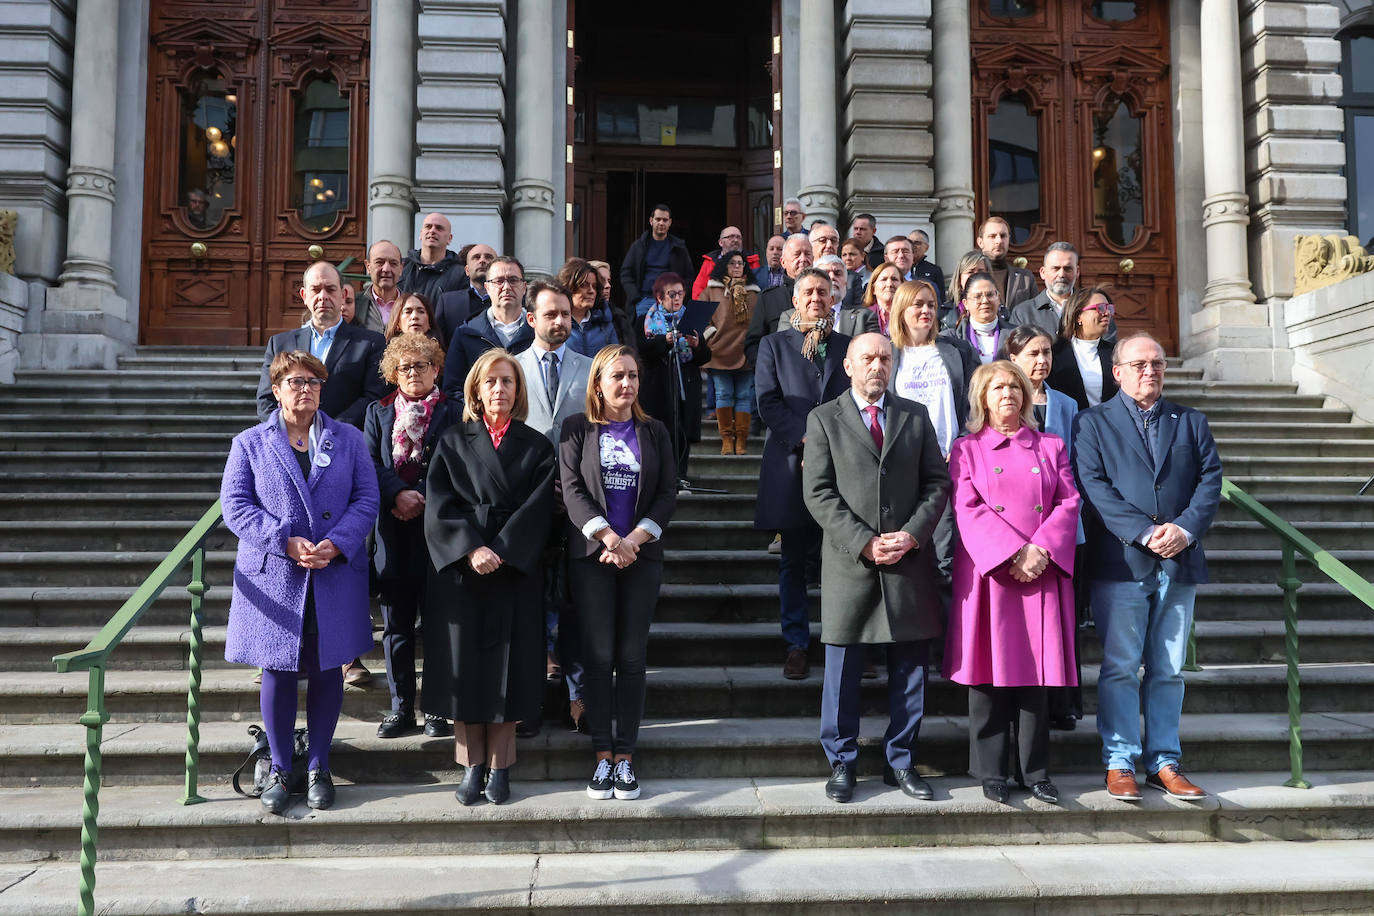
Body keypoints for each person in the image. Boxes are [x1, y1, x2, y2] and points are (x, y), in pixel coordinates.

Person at [223, 350, 380, 815]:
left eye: (314, 382)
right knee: (278, 668)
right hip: (276, 574)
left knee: (330, 666)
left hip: (331, 571)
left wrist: (340, 541)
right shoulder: (250, 442)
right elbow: (235, 505)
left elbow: (367, 497)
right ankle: (279, 768)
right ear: (276, 389)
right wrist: (282, 540)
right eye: (295, 381)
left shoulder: (347, 439)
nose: (305, 389)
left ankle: (318, 767)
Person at [1072, 333, 1223, 802]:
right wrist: (1143, 532)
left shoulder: (1190, 420)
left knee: (1169, 668)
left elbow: (1209, 480)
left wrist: (1185, 529)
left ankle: (1164, 761)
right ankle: (1119, 762)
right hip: (1122, 562)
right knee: (1119, 667)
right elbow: (1093, 487)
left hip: (1179, 561)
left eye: (1156, 363)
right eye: (1138, 364)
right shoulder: (1091, 423)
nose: (1149, 371)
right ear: (1116, 372)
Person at [802, 333, 950, 803]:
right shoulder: (825, 418)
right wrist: (864, 541)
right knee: (842, 672)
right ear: (848, 365)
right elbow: (818, 493)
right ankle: (842, 763)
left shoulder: (914, 414)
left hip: (907, 562)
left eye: (885, 357)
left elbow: (936, 483)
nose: (877, 365)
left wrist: (911, 534)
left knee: (910, 671)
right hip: (851, 563)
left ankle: (901, 762)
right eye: (867, 357)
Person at [421, 348, 556, 806]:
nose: (499, 390)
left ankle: (500, 766)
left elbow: (540, 510)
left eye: (508, 382)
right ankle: (470, 764)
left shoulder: (537, 446)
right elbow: (439, 504)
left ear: (519, 391)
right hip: (462, 573)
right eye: (491, 381)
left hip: (513, 570)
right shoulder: (453, 441)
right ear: (476, 389)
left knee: (509, 668)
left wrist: (501, 550)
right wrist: (470, 548)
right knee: (466, 668)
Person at [943, 360, 1081, 805]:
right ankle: (991, 772)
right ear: (983, 397)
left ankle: (1035, 770)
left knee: (1034, 677)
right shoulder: (966, 449)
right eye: (998, 387)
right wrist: (1012, 554)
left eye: (1015, 387)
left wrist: (1040, 550)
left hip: (1041, 572)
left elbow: (1068, 500)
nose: (1008, 395)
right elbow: (967, 507)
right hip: (991, 575)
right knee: (988, 674)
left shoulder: (1051, 445)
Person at [559, 344, 678, 801]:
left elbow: (667, 493)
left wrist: (634, 540)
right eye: (617, 376)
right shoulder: (576, 429)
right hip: (593, 557)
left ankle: (625, 757)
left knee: (630, 658)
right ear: (598, 383)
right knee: (598, 657)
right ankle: (601, 757)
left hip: (641, 557)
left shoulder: (656, 431)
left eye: (632, 375)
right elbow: (570, 490)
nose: (626, 384)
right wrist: (609, 537)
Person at [754, 267, 854, 680]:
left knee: (842, 560)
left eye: (823, 292)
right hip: (792, 465)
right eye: (808, 291)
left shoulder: (847, 346)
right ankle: (796, 643)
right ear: (794, 300)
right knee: (793, 560)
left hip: (845, 468)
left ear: (833, 299)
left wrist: (834, 441)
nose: (816, 297)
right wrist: (808, 437)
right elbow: (768, 402)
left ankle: (842, 639)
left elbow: (857, 396)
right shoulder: (774, 345)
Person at [365, 333, 461, 740]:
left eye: (421, 365)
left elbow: (459, 463)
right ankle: (401, 708)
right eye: (404, 367)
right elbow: (368, 463)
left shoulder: (454, 411)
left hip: (438, 531)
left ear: (436, 369)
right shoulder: (377, 412)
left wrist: (423, 496)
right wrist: (397, 494)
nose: (413, 373)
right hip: (392, 529)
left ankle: (437, 709)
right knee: (397, 626)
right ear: (392, 373)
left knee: (440, 624)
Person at [513, 280, 593, 729]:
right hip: (528, 500)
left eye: (565, 313)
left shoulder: (589, 367)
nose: (560, 321)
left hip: (580, 501)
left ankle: (579, 696)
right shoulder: (511, 368)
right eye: (550, 314)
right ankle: (529, 700)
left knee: (576, 601)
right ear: (531, 320)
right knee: (529, 601)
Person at [1002, 324, 1085, 731]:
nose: (1042, 361)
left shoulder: (1066, 403)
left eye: (1047, 352)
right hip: (1017, 526)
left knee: (1062, 619)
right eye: (1033, 353)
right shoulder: (1002, 400)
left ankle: (1062, 702)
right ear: (1013, 358)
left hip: (1061, 525)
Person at [256, 261, 386, 430]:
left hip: (344, 441)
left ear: (343, 294)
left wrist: (331, 430)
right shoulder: (279, 344)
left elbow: (373, 397)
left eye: (330, 289)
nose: (323, 296)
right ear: (304, 295)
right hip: (290, 442)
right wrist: (290, 431)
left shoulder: (371, 343)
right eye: (316, 289)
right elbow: (266, 400)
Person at [889, 280, 977, 462]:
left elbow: (975, 402)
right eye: (918, 304)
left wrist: (963, 442)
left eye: (931, 305)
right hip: (906, 459)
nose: (926, 311)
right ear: (901, 309)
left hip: (952, 458)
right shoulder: (886, 354)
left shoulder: (959, 350)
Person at [637, 272, 710, 487]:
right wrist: (665, 341)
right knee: (659, 434)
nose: (677, 298)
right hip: (658, 386)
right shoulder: (646, 321)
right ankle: (659, 479)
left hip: (685, 384)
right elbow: (642, 351)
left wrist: (697, 346)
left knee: (682, 433)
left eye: (680, 293)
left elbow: (705, 357)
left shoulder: (691, 320)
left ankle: (681, 476)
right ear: (660, 297)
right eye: (672, 294)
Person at [441, 256, 535, 398]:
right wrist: (480, 415)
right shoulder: (466, 334)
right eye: (499, 281)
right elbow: (453, 389)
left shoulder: (539, 331)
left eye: (513, 280)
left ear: (524, 287)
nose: (507, 287)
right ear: (487, 288)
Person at [700, 251, 760, 454]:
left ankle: (741, 439)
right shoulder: (711, 290)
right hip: (719, 350)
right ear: (724, 265)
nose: (736, 266)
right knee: (723, 394)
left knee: (744, 395)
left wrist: (754, 344)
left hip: (745, 350)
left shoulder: (753, 292)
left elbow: (760, 321)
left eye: (740, 263)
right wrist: (711, 337)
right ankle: (726, 439)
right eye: (732, 263)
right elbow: (701, 320)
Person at [744, 233, 814, 365]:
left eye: (807, 254)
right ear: (783, 262)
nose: (803, 259)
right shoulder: (768, 298)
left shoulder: (823, 295)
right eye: (797, 254)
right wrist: (767, 373)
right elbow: (753, 344)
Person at [1049, 287, 1120, 411]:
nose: (1107, 313)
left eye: (1109, 308)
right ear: (1078, 316)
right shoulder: (1054, 354)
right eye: (1100, 308)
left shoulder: (1117, 353)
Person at [619, 204, 693, 319]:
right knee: (644, 336)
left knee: (672, 336)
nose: (661, 223)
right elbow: (626, 273)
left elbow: (689, 275)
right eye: (658, 219)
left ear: (670, 222)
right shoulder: (638, 246)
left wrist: (680, 295)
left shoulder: (679, 247)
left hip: (671, 301)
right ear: (651, 221)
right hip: (644, 300)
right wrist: (636, 297)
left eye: (665, 220)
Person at [558, 257, 632, 357]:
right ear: (568, 286)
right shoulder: (556, 322)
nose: (591, 291)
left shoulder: (605, 323)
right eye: (584, 285)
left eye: (595, 286)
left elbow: (615, 360)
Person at [433, 243, 499, 345]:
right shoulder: (447, 302)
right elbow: (438, 342)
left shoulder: (513, 300)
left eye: (488, 257)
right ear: (467, 270)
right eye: (476, 257)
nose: (482, 260)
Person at [944, 272, 1013, 365]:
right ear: (966, 303)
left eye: (990, 295)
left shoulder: (1015, 335)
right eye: (977, 296)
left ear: (998, 298)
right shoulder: (952, 339)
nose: (985, 301)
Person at [399, 213, 468, 302]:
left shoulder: (461, 274)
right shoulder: (402, 267)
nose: (432, 231)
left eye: (439, 228)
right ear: (420, 234)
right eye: (428, 227)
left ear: (449, 238)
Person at [976, 216, 1036, 308]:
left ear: (1009, 239)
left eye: (1003, 236)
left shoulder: (1025, 278)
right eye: (992, 236)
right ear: (980, 242)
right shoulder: (972, 276)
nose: (999, 241)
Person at [691, 225, 761, 299]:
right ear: (721, 242)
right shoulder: (710, 262)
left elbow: (758, 288)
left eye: (738, 237)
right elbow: (699, 289)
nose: (736, 240)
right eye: (731, 237)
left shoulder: (751, 261)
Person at [357, 240, 404, 334]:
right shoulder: (354, 304)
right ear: (368, 266)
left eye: (393, 263)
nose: (386, 269)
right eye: (380, 262)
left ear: (401, 268)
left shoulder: (412, 306)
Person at [945, 251, 994, 329]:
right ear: (959, 277)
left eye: (980, 271)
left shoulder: (1001, 312)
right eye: (970, 272)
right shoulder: (944, 313)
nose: (975, 276)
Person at [861, 262, 905, 336]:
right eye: (884, 279)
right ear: (873, 289)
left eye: (894, 279)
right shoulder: (864, 316)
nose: (889, 284)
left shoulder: (910, 314)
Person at [907, 229, 946, 298]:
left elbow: (941, 297)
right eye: (910, 242)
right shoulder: (901, 268)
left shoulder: (934, 270)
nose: (913, 246)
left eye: (917, 243)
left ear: (926, 248)